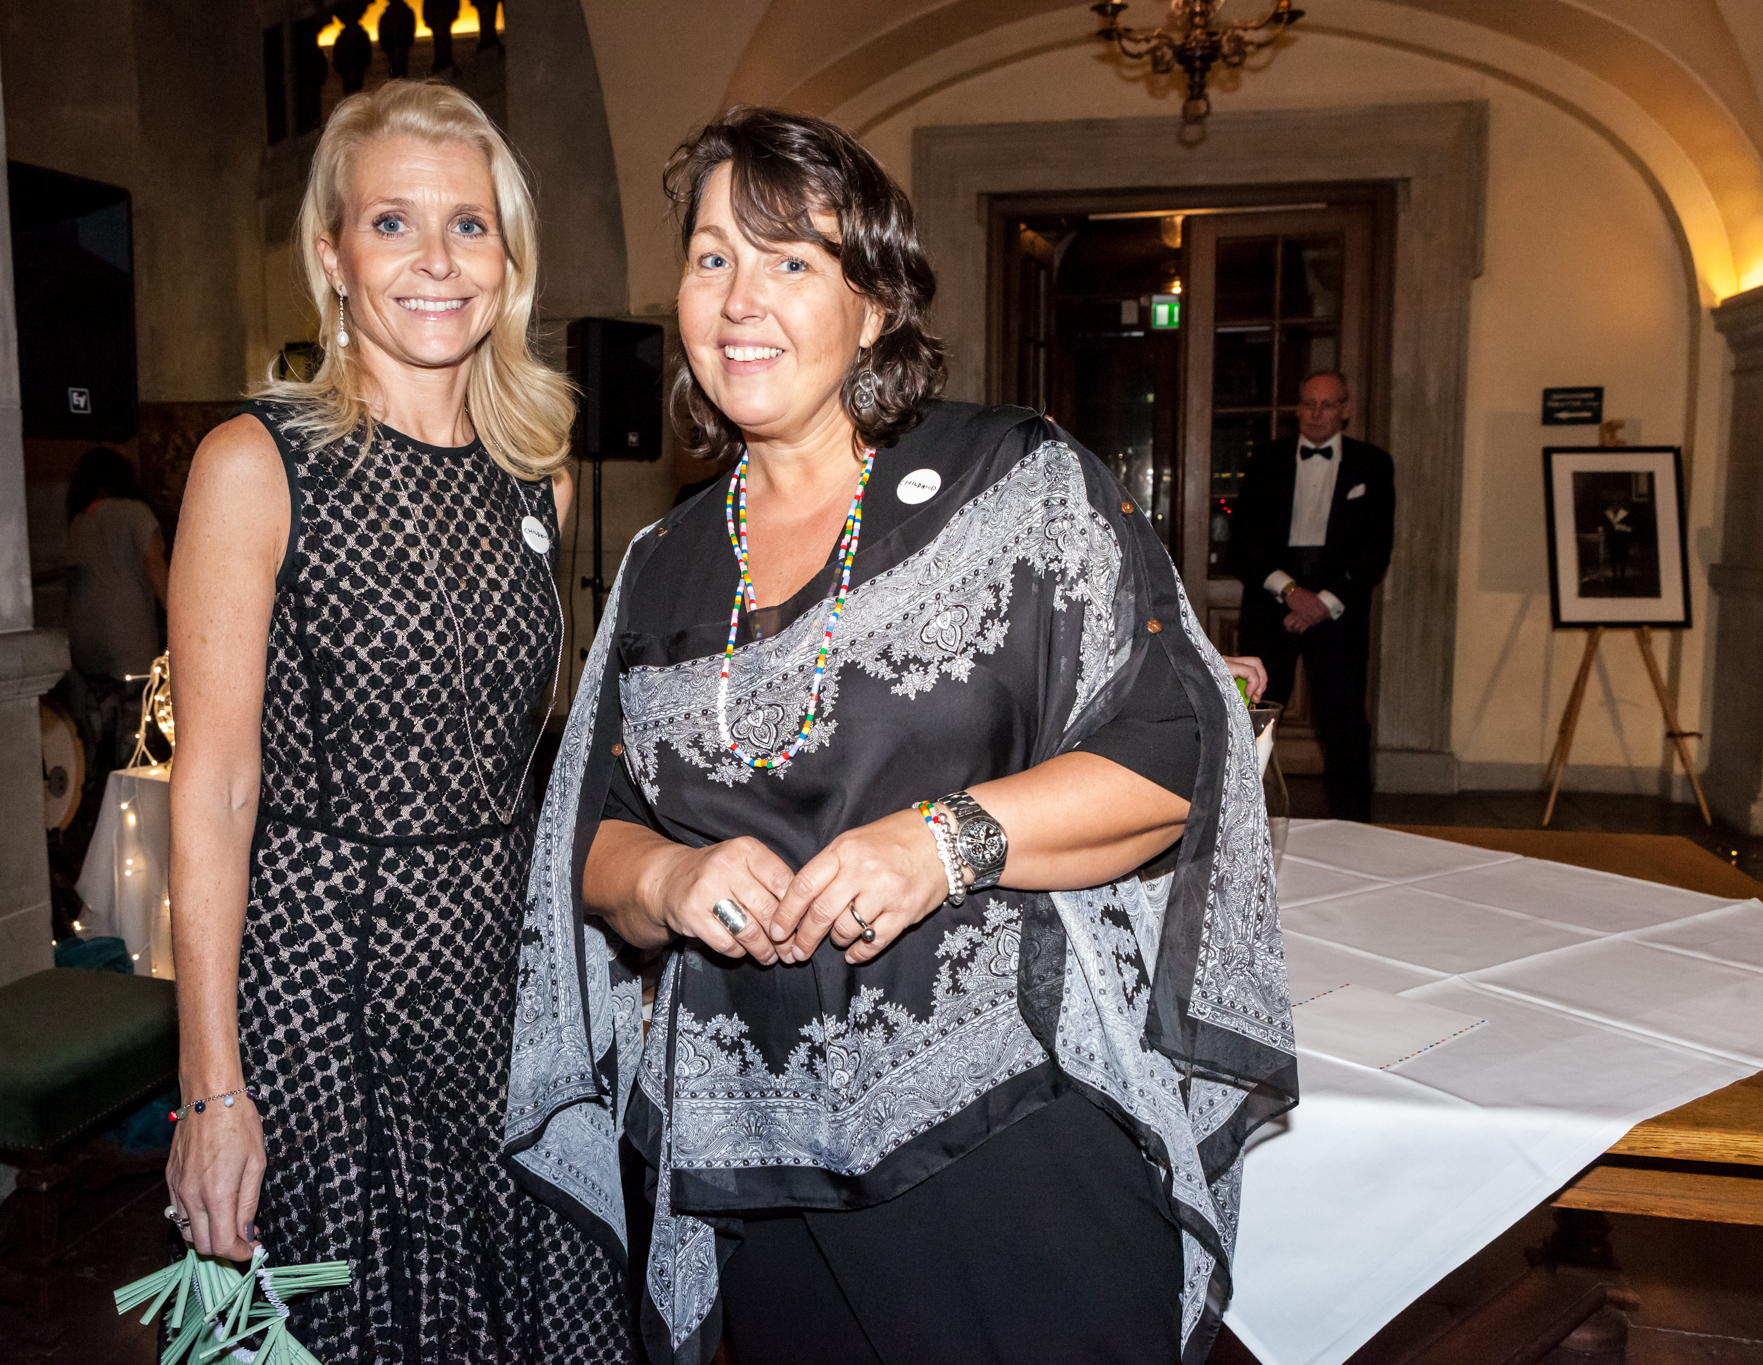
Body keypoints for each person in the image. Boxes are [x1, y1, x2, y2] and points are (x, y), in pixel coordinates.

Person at [505, 108, 1294, 1365]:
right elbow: (584, 836)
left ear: (871, 304)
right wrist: (666, 879)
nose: (739, 298)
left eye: (789, 260)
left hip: (1009, 1139)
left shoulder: (1011, 483)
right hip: (756, 1170)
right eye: (712, 258)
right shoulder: (662, 563)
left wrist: (942, 842)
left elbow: (1170, 760)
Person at [163, 80, 631, 1362]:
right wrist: (209, 1090)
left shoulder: (537, 475)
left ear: (508, 259)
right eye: (391, 223)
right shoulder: (252, 464)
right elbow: (214, 789)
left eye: (468, 225)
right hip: (323, 989)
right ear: (332, 257)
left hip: (497, 983)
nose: (436, 259)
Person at [1232, 371, 1396, 822]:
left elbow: (1376, 548)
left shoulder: (1373, 464)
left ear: (1346, 409)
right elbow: (1243, 541)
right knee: (1253, 716)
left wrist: (1322, 601)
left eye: (1327, 404)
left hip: (1337, 608)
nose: (1316, 413)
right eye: (1308, 403)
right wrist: (1290, 591)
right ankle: (1239, 824)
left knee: (1344, 721)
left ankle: (1352, 828)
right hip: (1273, 605)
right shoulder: (1266, 459)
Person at [63, 446, 167, 771]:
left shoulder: (79, 521)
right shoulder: (136, 513)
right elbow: (156, 569)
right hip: (128, 635)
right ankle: (130, 790)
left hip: (84, 638)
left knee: (101, 724)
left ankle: (97, 784)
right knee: (135, 731)